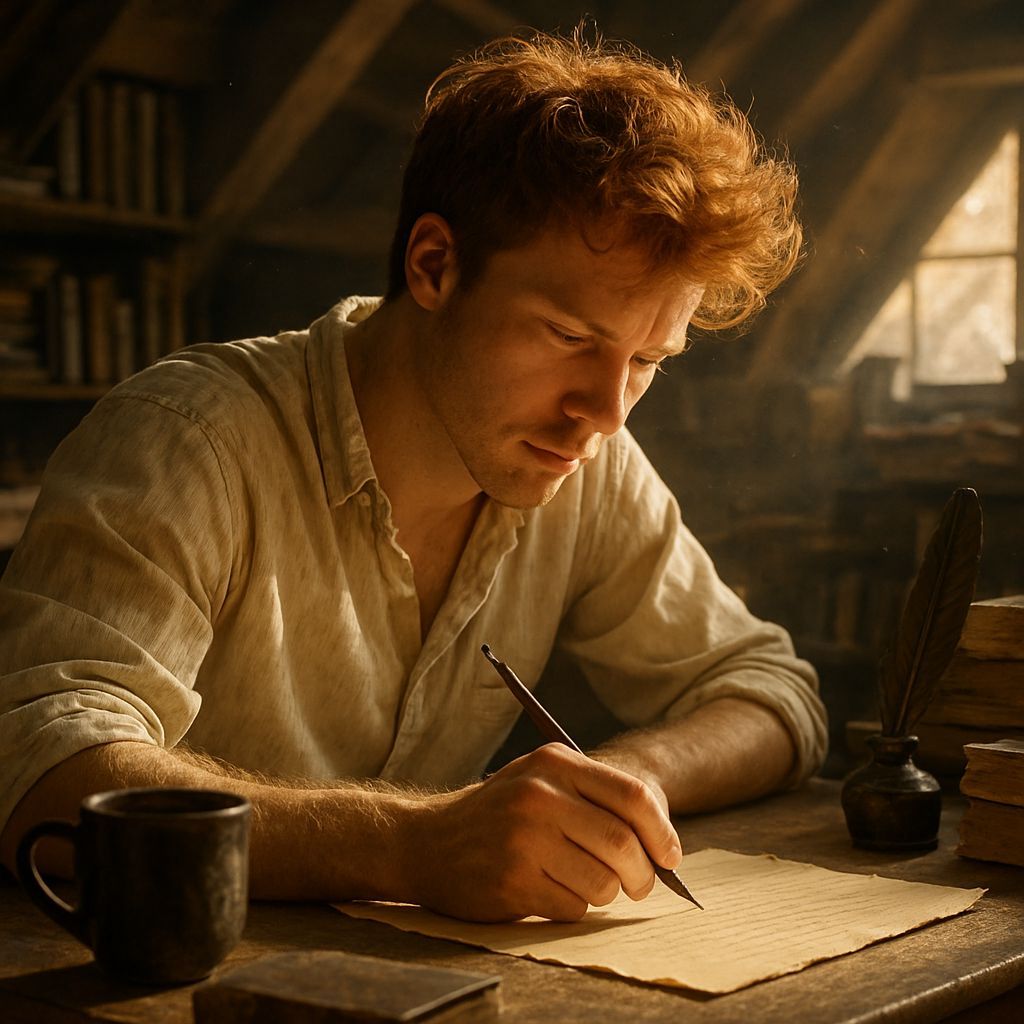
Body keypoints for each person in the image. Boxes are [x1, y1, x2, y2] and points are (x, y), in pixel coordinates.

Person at [0, 29, 826, 922]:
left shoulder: (589, 462)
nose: (606, 410)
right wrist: (409, 844)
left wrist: (619, 785)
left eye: (647, 360)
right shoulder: (187, 439)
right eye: (568, 337)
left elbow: (774, 695)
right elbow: (41, 762)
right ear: (434, 265)